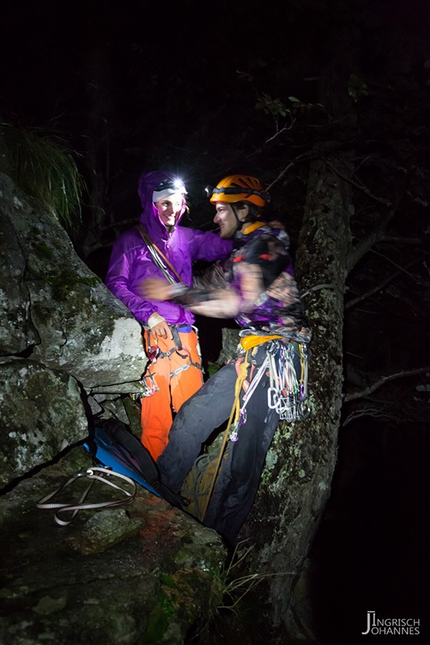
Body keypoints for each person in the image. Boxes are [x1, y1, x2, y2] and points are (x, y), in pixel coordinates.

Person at [144, 174, 311, 545]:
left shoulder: (268, 242)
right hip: (252, 354)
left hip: (274, 359)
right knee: (192, 417)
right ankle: (156, 499)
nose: (215, 217)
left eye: (221, 210)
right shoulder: (243, 248)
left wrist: (173, 292)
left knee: (243, 462)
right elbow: (211, 286)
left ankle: (217, 546)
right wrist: (177, 290)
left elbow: (236, 301)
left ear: (243, 208)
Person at [104, 170, 232, 460]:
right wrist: (149, 316)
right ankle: (155, 477)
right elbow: (115, 284)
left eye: (178, 203)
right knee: (157, 408)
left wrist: (250, 231)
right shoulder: (131, 242)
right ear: (151, 204)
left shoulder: (187, 238)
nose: (172, 211)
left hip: (185, 334)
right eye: (164, 204)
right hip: (152, 333)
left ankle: (185, 469)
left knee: (194, 408)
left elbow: (223, 246)